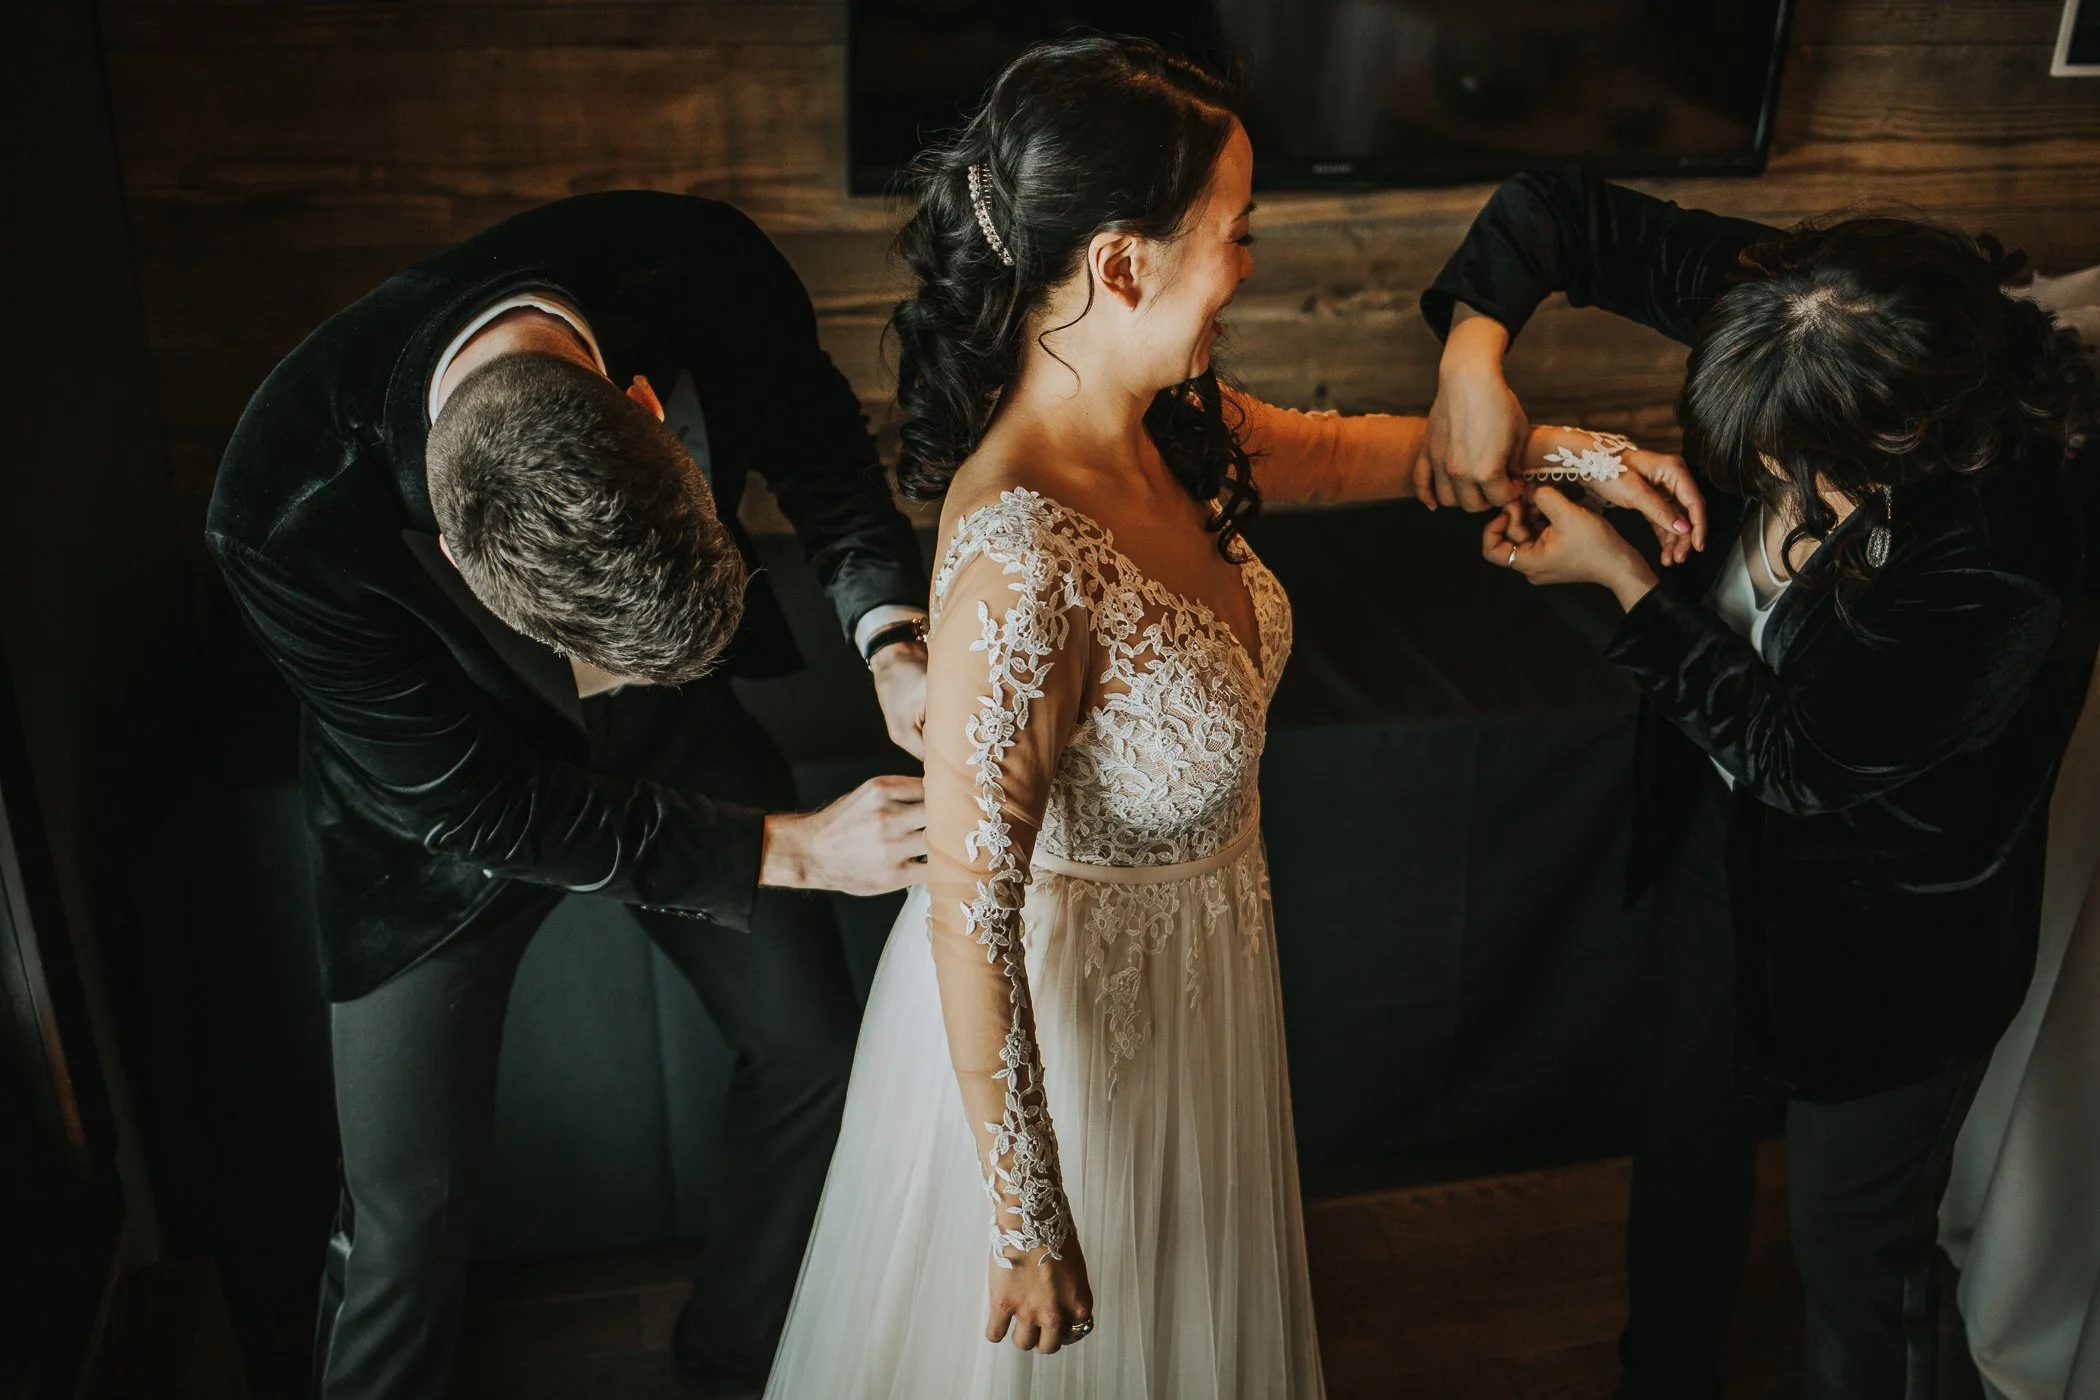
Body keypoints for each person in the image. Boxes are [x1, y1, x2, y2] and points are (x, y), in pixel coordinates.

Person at [760, 41, 1700, 1399]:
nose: (1250, 265)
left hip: (1203, 983)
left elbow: (1353, 448)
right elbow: (973, 905)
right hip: (1074, 1049)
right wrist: (1026, 1218)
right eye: (1236, 235)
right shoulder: (1024, 559)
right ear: (1123, 262)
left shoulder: (1161, 419)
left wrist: (1581, 456)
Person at [206, 192, 933, 1400]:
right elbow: (488, 806)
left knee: (812, 1051)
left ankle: (737, 1355)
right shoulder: (278, 514)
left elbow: (821, 451)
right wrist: (794, 849)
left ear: (645, 407)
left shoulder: (703, 268)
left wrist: (893, 634)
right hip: (434, 813)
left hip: (686, 730)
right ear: (453, 554)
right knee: (407, 1205)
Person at [1424, 169, 2099, 1398]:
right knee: (1685, 1139)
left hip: (1896, 934)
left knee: (1855, 1242)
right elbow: (1554, 209)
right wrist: (1474, 360)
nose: (1764, 473)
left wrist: (1620, 582)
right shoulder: (1806, 308)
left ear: (1902, 442)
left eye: (1794, 460)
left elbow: (1797, 755)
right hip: (1718, 838)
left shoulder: (2012, 553)